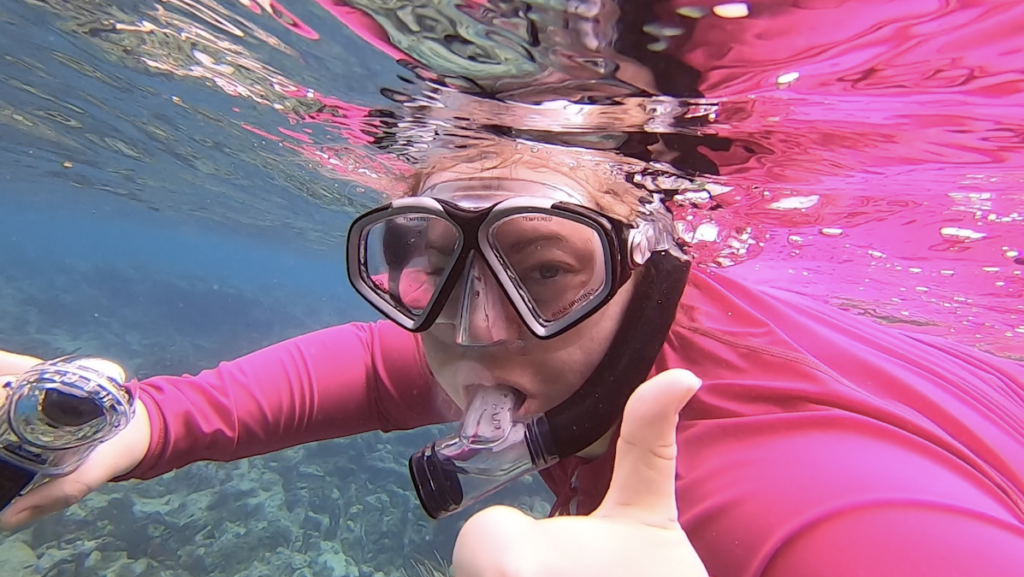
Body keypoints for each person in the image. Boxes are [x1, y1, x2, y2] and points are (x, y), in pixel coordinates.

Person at [3, 135, 1024, 577]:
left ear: (646, 267)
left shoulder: (776, 475)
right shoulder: (584, 339)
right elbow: (375, 367)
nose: (472, 329)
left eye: (543, 269)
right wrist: (150, 420)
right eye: (426, 263)